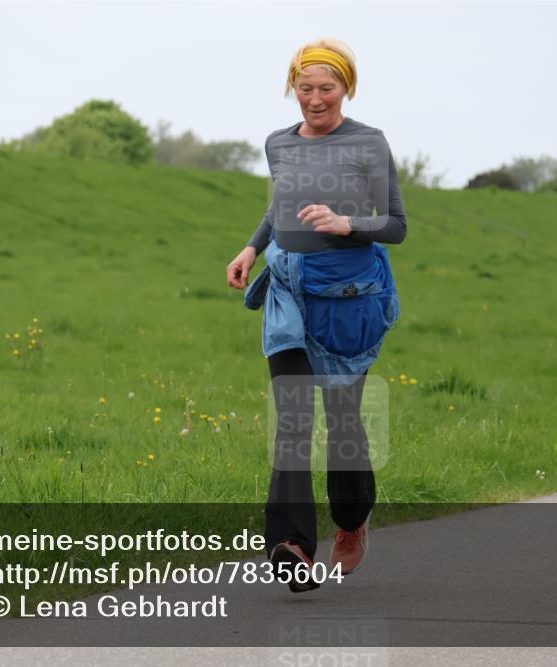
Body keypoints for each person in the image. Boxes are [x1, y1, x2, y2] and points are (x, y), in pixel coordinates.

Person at [226, 37, 407, 593]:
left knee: (344, 424)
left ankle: (351, 522)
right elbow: (279, 202)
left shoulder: (368, 143)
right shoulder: (278, 143)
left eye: (326, 88)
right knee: (293, 421)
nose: (315, 98)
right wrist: (252, 248)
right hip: (286, 293)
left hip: (346, 296)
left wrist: (347, 223)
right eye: (305, 88)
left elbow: (396, 224)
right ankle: (293, 546)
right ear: (293, 89)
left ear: (345, 88)